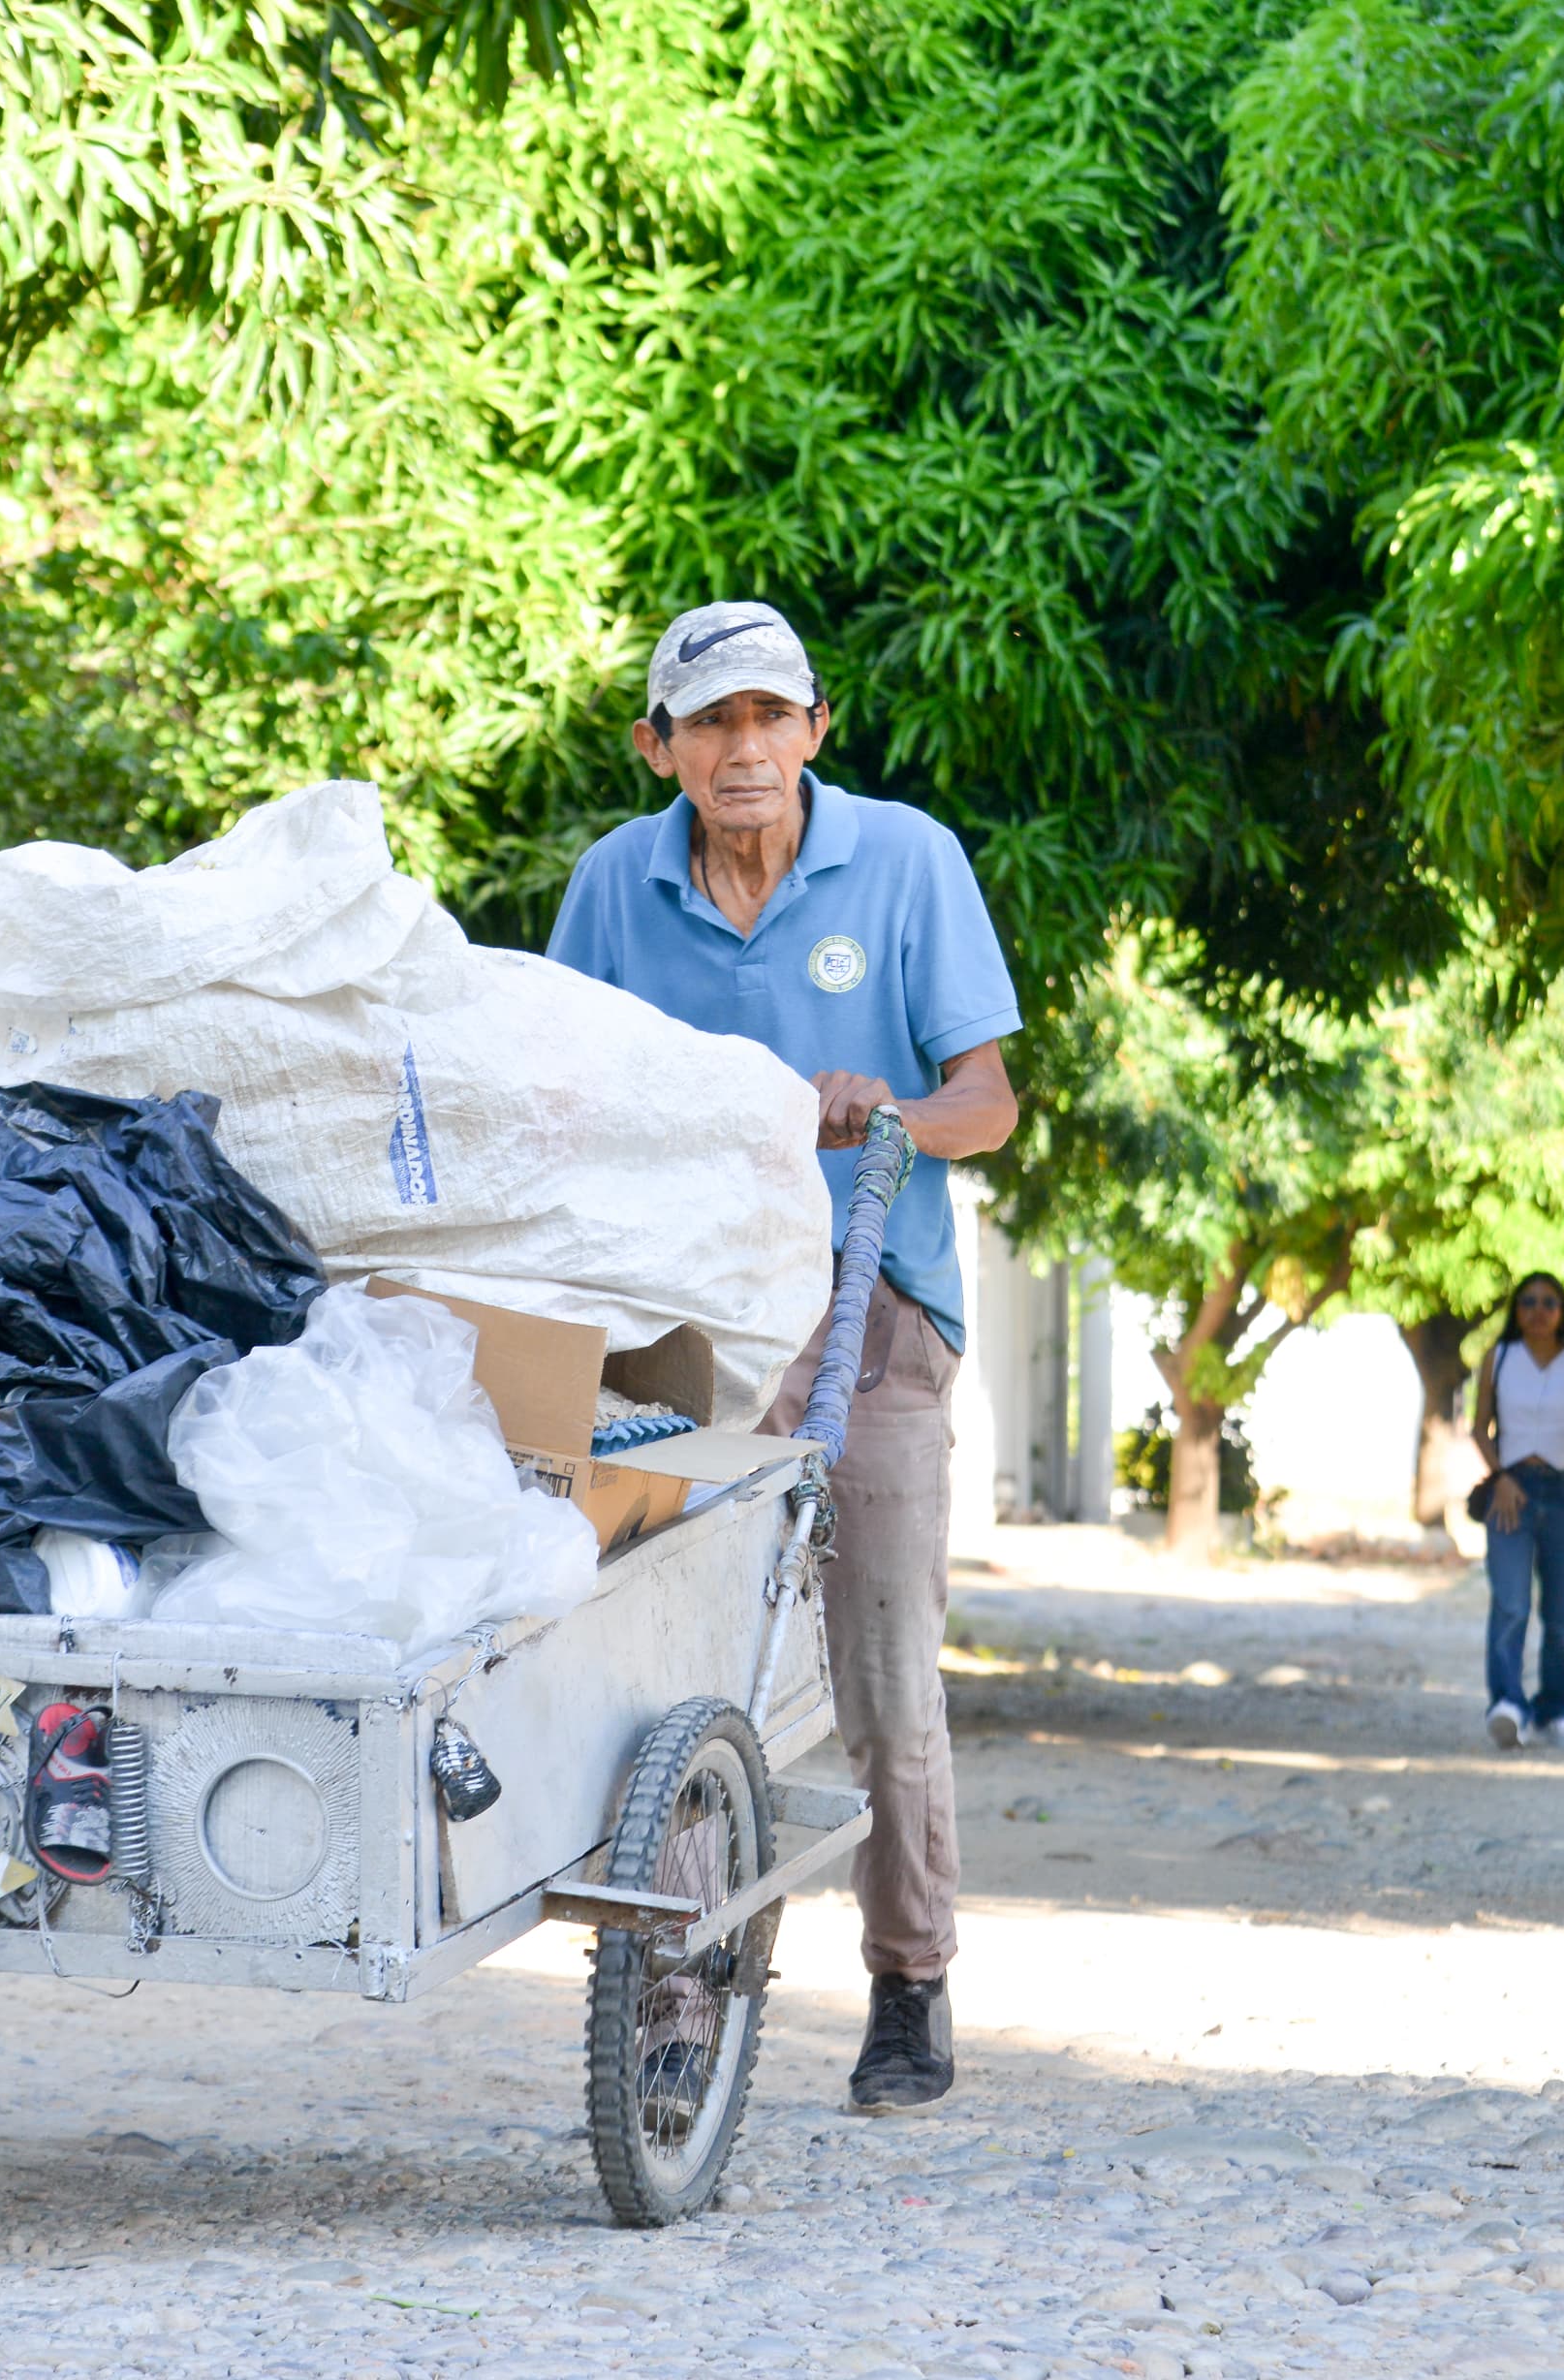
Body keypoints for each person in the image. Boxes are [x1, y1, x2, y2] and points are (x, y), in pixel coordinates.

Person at [547, 602, 1019, 2114]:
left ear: (816, 730)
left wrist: (885, 1118)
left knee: (882, 1673)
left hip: (873, 1301)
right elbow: (560, 1093)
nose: (744, 750)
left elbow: (988, 1104)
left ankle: (911, 1980)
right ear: (658, 748)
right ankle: (682, 1987)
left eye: (771, 718)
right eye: (711, 724)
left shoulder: (906, 860)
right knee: (677, 1666)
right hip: (685, 1327)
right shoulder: (615, 887)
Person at [1466, 1272, 1564, 1748]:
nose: (1538, 1310)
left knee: (1562, 1608)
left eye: (1549, 1302)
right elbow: (1479, 1428)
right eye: (1528, 1302)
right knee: (1510, 1601)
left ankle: (1554, 1708)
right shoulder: (1500, 1357)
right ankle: (1507, 1702)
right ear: (1516, 1309)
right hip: (1512, 1491)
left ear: (1562, 1310)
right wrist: (1502, 1477)